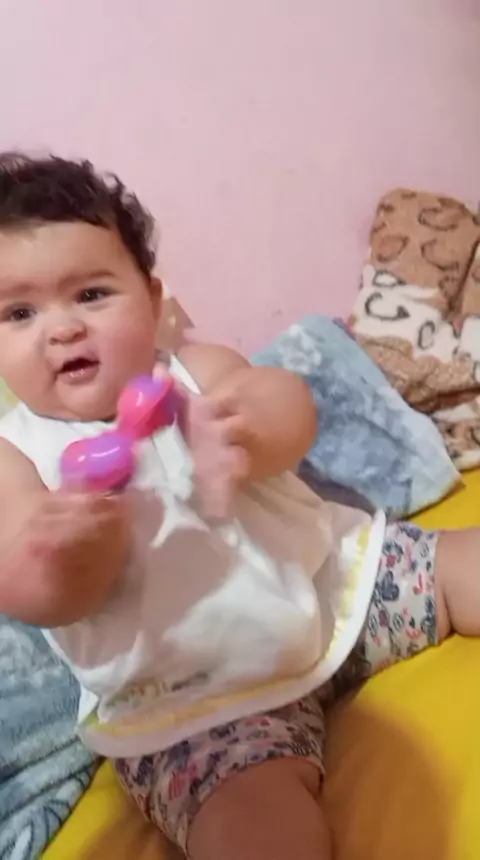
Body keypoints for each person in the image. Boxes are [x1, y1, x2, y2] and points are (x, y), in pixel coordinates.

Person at [0, 153, 477, 860]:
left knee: (463, 561)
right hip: (196, 699)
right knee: (256, 827)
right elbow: (32, 590)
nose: (63, 328)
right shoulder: (16, 454)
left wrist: (245, 429)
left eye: (92, 294)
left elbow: (292, 411)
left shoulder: (193, 373)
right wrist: (68, 550)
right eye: (19, 312)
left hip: (334, 590)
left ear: (152, 299)